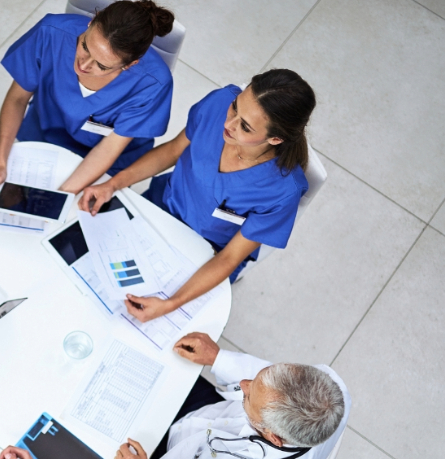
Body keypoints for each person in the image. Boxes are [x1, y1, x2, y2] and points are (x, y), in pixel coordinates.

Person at [79, 69, 315, 322]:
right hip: (161, 208)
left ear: (276, 139)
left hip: (206, 254)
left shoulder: (282, 190)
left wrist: (171, 304)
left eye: (245, 127)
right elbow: (171, 151)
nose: (228, 124)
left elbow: (229, 258)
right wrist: (113, 184)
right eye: (235, 108)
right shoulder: (217, 104)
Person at [0, 332, 348, 459]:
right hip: (201, 417)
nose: (242, 382)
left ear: (273, 436)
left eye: (249, 394)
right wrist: (217, 358)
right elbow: (264, 378)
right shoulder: (330, 387)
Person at [0, 0, 175, 196]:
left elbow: (109, 149)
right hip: (46, 131)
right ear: (91, 23)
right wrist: (0, 163)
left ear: (130, 65)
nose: (84, 65)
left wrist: (58, 198)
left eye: (102, 65)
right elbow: (17, 99)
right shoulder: (51, 32)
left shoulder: (153, 84)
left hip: (109, 159)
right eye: (85, 46)